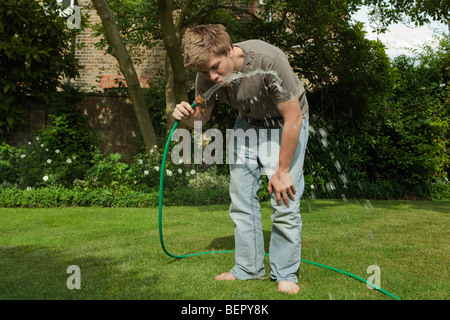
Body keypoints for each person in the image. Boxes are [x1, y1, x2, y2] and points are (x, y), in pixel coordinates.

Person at [172, 24, 309, 294]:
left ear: (229, 50)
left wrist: (281, 171)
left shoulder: (268, 60)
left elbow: (294, 117)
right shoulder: (206, 76)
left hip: (285, 124)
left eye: (215, 67)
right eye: (204, 72)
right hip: (247, 124)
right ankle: (248, 269)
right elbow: (202, 119)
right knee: (241, 201)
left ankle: (285, 272)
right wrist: (188, 117)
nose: (211, 77)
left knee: (284, 200)